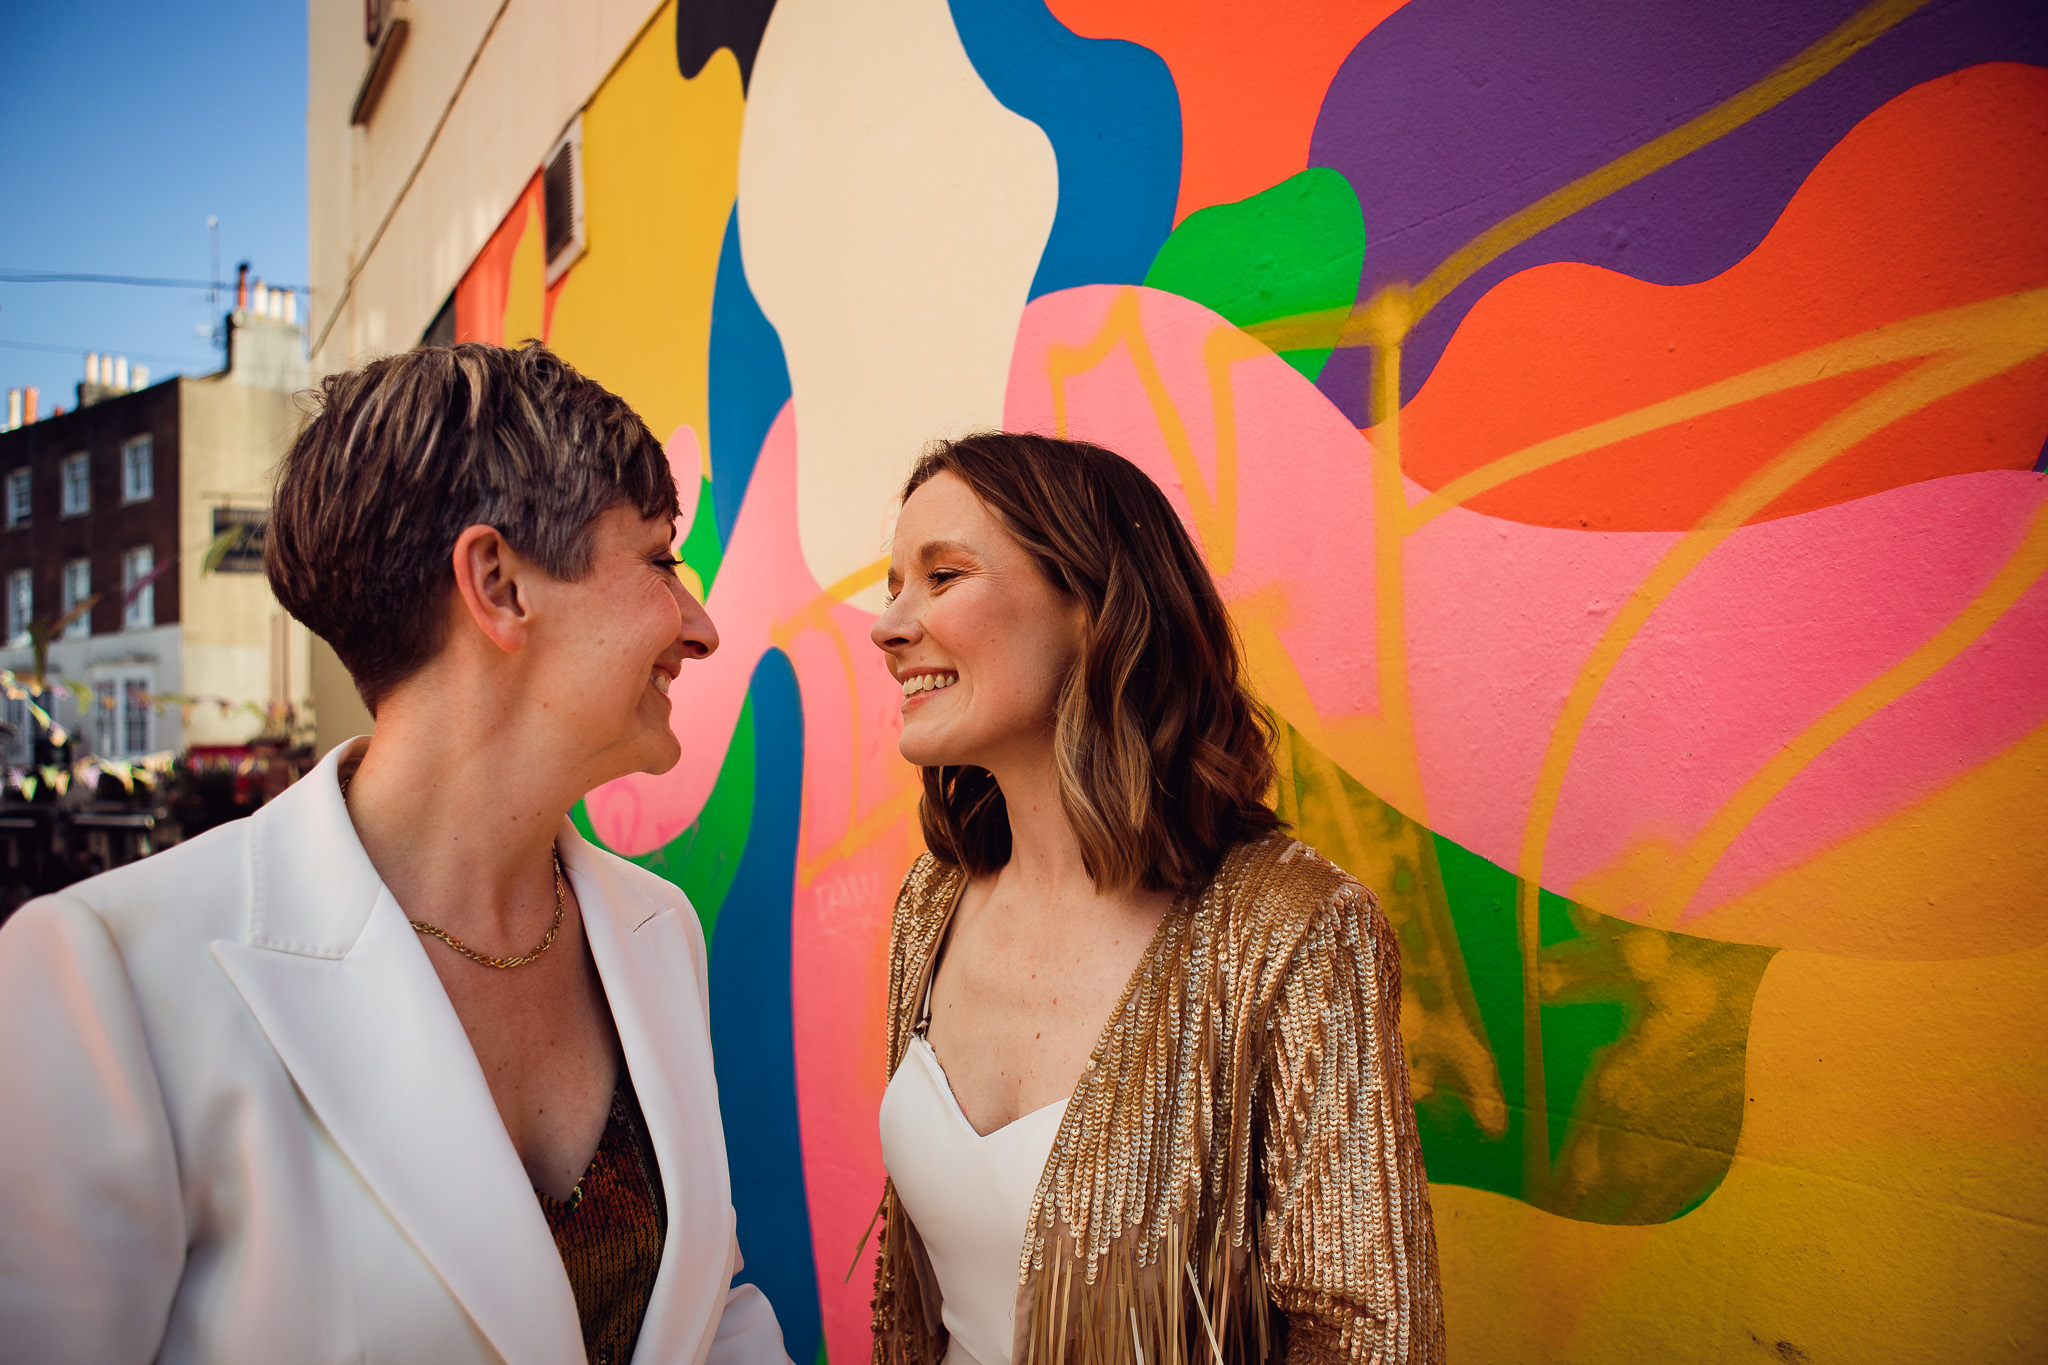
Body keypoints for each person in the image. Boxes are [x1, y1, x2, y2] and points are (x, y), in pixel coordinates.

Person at [0, 343, 791, 1365]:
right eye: (657, 561)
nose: (701, 625)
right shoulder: (103, 975)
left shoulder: (654, 929)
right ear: (498, 584)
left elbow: (708, 1312)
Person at [868, 433, 1443, 1364]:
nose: (888, 624)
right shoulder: (931, 904)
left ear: (1093, 609)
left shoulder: (1294, 929)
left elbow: (1369, 1335)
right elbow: (909, 1293)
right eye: (894, 583)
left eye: (942, 576)